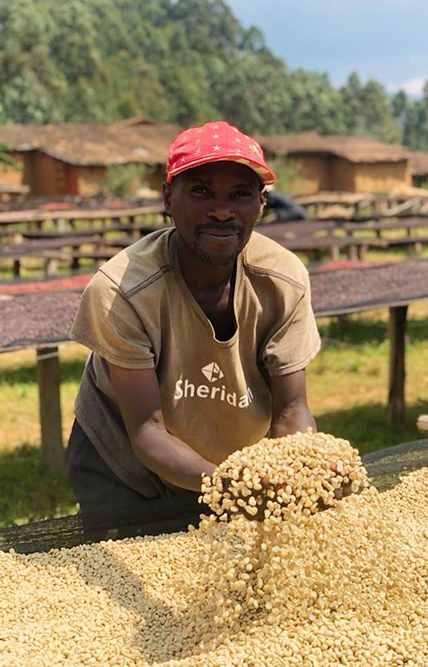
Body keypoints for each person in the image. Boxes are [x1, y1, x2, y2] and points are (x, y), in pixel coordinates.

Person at [66, 121, 321, 523]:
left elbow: (292, 411)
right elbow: (147, 432)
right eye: (201, 191)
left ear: (262, 203)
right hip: (123, 468)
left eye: (240, 194)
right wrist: (233, 489)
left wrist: (303, 469)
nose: (221, 211)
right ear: (168, 198)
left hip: (224, 462)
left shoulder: (283, 281)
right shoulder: (123, 291)